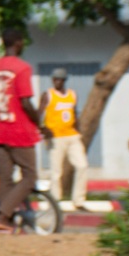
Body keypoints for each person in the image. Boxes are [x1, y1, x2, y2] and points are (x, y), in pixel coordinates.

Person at [0, 27, 42, 232]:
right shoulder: (22, 68)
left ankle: (3, 221)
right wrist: (38, 122)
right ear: (18, 43)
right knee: (29, 177)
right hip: (20, 131)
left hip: (1, 129)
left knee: (6, 178)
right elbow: (25, 101)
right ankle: (3, 215)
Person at [40, 66, 89, 210]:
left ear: (64, 80)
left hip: (72, 135)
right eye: (55, 79)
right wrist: (43, 129)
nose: (57, 82)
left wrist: (79, 131)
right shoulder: (48, 95)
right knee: (56, 172)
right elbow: (39, 113)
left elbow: (74, 113)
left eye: (60, 80)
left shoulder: (72, 94)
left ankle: (79, 200)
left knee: (82, 165)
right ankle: (56, 201)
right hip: (56, 137)